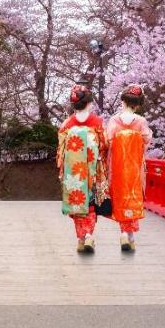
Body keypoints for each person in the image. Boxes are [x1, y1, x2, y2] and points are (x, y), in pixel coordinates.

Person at [57, 84, 108, 253]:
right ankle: (88, 236)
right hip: (91, 169)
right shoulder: (97, 122)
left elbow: (61, 150)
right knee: (91, 202)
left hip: (73, 172)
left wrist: (63, 169)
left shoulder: (67, 124)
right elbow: (104, 145)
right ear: (89, 103)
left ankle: (81, 238)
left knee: (77, 203)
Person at [105, 84, 153, 252]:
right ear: (138, 104)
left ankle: (125, 233)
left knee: (120, 197)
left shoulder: (114, 121)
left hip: (117, 167)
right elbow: (146, 141)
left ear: (122, 101)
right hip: (134, 166)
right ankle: (128, 234)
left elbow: (108, 142)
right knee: (133, 195)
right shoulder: (141, 121)